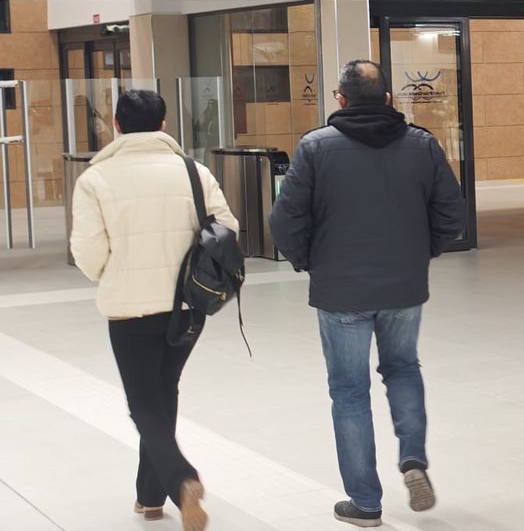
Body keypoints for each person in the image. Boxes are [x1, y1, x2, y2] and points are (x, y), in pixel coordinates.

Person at [268, 60, 467, 528]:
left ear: (339, 98)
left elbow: (284, 219)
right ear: (388, 99)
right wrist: (421, 253)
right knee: (402, 369)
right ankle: (413, 460)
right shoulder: (421, 144)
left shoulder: (316, 147)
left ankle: (365, 503)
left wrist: (308, 261)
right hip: (403, 286)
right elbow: (450, 213)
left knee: (349, 392)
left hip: (340, 292)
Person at [70, 89, 237, 531]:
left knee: (144, 401)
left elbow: (87, 254)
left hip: (129, 306)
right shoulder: (192, 171)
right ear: (164, 125)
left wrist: (115, 270)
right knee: (164, 392)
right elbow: (227, 229)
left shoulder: (96, 178)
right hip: (188, 303)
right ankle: (149, 496)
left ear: (117, 127)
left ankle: (181, 478)